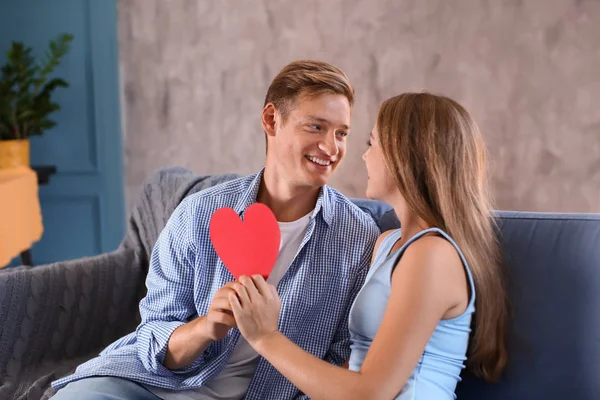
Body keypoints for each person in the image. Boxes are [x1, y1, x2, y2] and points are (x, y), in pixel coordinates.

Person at [51, 60, 380, 399]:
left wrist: (268, 336)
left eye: (342, 133)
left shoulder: (357, 238)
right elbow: (153, 339)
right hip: (156, 386)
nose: (331, 147)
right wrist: (207, 327)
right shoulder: (199, 213)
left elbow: (346, 360)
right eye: (315, 127)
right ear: (271, 120)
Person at [228, 92, 509, 399]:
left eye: (372, 144)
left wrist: (266, 337)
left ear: (405, 156)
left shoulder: (433, 256)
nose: (363, 156)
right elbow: (354, 370)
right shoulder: (387, 243)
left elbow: (370, 394)